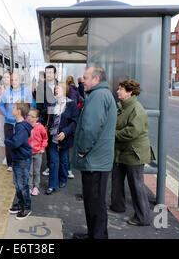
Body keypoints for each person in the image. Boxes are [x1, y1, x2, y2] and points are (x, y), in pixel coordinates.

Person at [71, 66, 117, 239]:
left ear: (96, 79)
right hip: (98, 159)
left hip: (94, 160)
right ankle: (94, 234)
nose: (83, 80)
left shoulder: (98, 96)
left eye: (86, 77)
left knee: (95, 203)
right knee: (94, 203)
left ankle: (97, 236)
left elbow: (90, 127)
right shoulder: (102, 94)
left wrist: (82, 150)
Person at [110, 79, 155, 226]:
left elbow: (132, 132)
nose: (117, 91)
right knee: (117, 180)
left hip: (134, 152)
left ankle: (143, 217)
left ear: (129, 92)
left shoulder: (136, 109)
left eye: (120, 89)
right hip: (122, 151)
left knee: (136, 185)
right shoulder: (123, 107)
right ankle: (118, 205)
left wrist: (112, 134)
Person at [43, 83, 78, 195]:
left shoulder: (71, 104)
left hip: (65, 138)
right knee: (53, 162)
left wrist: (65, 132)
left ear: (65, 90)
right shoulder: (51, 102)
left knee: (64, 161)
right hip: (53, 137)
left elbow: (74, 122)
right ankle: (52, 185)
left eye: (58, 88)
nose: (56, 90)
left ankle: (63, 179)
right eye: (55, 88)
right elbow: (44, 116)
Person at [0, 72, 34, 171]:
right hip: (9, 122)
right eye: (11, 80)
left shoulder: (27, 92)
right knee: (9, 142)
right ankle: (10, 164)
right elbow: (1, 104)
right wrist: (6, 114)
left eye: (15, 79)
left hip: (22, 123)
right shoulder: (6, 92)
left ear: (20, 80)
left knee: (21, 142)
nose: (13, 82)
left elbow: (31, 105)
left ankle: (20, 162)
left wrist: (27, 117)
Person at [4, 100, 33, 220]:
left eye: (14, 107)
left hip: (22, 159)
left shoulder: (21, 127)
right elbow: (15, 139)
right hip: (17, 158)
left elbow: (16, 142)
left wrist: (7, 141)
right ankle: (21, 203)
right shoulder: (19, 124)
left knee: (22, 184)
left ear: (19, 112)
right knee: (17, 183)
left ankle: (26, 207)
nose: (12, 109)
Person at [36, 65, 58, 177]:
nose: (48, 74)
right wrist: (41, 122)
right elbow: (39, 106)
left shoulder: (60, 85)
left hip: (59, 119)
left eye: (50, 72)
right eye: (47, 72)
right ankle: (50, 166)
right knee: (48, 143)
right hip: (46, 119)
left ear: (55, 74)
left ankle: (62, 167)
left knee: (57, 144)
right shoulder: (41, 87)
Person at [26, 109, 48, 196]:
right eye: (28, 116)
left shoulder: (40, 127)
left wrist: (42, 148)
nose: (30, 118)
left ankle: (36, 187)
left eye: (32, 116)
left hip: (38, 152)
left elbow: (45, 139)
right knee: (29, 171)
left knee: (36, 171)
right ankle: (29, 187)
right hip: (28, 153)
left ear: (37, 118)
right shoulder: (26, 126)